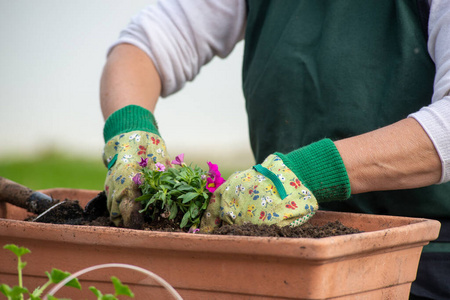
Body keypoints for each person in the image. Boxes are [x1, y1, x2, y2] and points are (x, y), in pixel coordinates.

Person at [99, 1, 450, 299]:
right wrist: (130, 134)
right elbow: (145, 44)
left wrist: (308, 172)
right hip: (278, 249)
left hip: (424, 259)